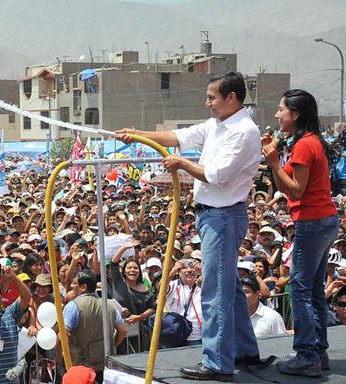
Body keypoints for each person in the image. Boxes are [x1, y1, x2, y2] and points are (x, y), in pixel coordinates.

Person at [118, 71, 265, 381]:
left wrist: (181, 163)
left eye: (212, 97)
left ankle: (217, 364)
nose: (207, 102)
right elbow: (179, 136)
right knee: (231, 289)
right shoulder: (217, 125)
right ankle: (246, 351)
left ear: (231, 98)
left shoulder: (244, 132)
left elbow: (218, 174)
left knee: (215, 292)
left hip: (223, 216)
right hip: (213, 215)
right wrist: (137, 134)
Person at [262, 89, 339, 377]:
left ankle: (307, 355)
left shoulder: (305, 145)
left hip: (312, 221)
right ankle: (318, 351)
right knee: (314, 289)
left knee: (301, 289)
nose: (277, 115)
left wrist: (273, 163)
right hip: (323, 220)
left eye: (281, 109)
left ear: (295, 114)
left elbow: (295, 189)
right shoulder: (310, 142)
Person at [63, 270, 127, 383]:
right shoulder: (110, 304)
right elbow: (122, 331)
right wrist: (111, 346)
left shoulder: (72, 306)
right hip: (106, 365)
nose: (72, 286)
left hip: (81, 369)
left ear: (83, 287)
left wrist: (61, 359)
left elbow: (61, 337)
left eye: (74, 283)